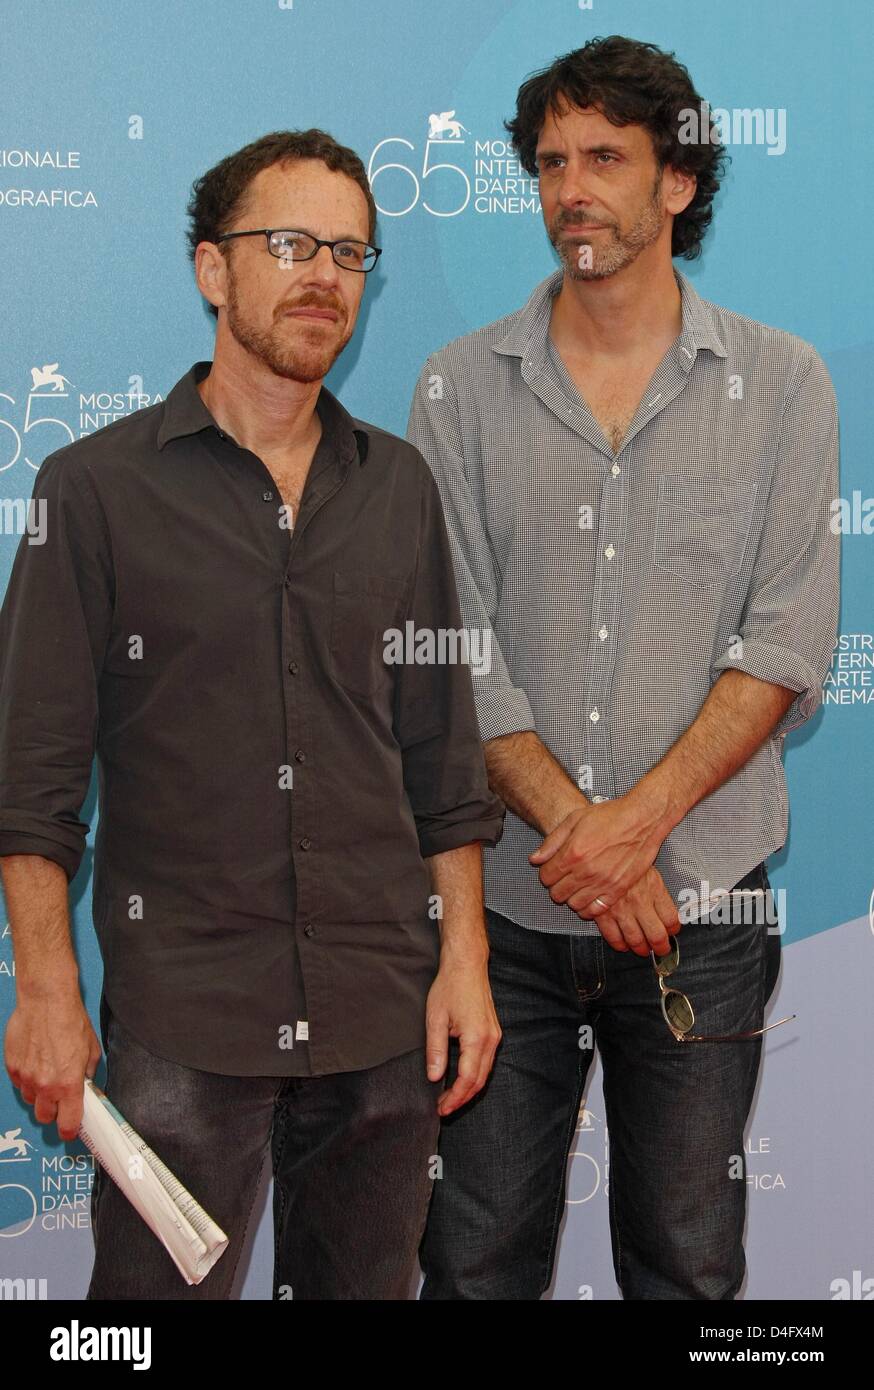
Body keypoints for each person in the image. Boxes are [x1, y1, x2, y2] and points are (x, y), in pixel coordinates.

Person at [0, 128, 504, 1300]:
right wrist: (45, 994)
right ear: (211, 269)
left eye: (348, 252)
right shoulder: (91, 491)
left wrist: (465, 960)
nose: (322, 274)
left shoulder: (400, 489)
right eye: (286, 243)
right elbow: (29, 780)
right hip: (186, 1019)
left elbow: (442, 754)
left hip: (384, 1013)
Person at [407, 37, 839, 1299]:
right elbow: (453, 651)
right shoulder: (455, 391)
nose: (569, 190)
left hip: (697, 914)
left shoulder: (784, 384)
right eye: (549, 162)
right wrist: (580, 835)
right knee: (473, 1260)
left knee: (689, 1265)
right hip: (497, 917)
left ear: (677, 183)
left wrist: (634, 832)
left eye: (604, 158)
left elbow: (785, 643)